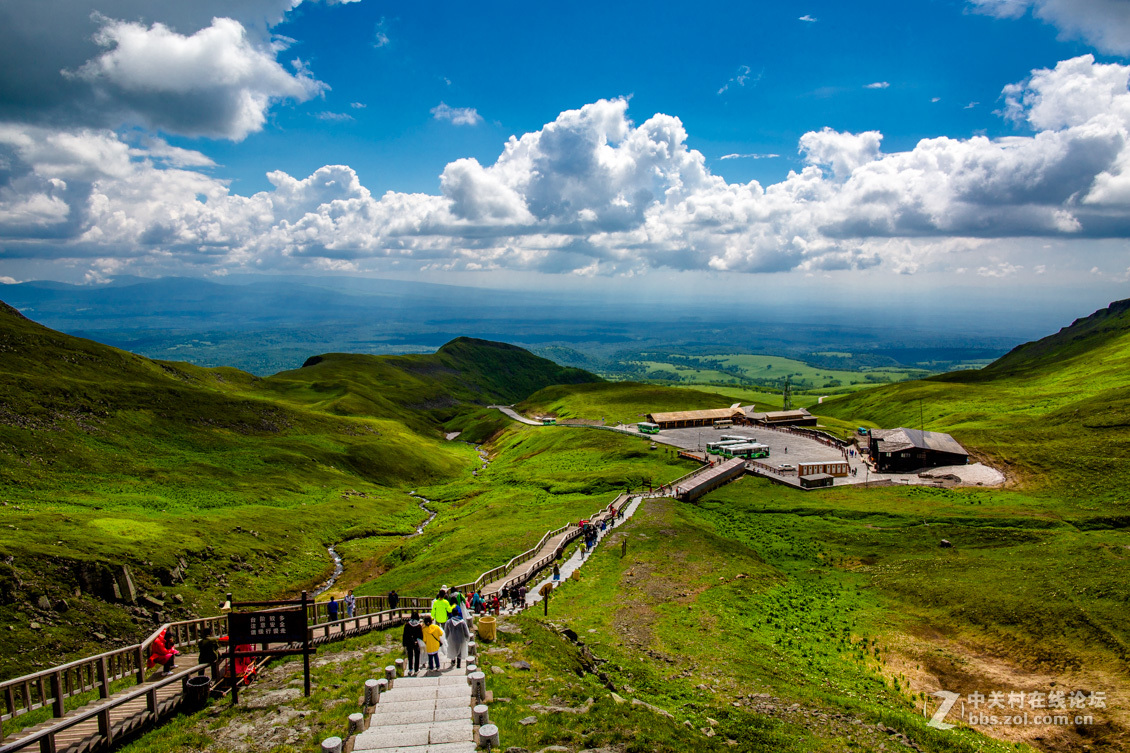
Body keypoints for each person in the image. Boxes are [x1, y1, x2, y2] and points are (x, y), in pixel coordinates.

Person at [402, 611, 424, 675]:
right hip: (416, 642)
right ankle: (416, 669)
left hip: (409, 642)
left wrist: (404, 643)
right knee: (417, 656)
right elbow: (421, 636)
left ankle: (410, 669)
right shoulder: (418, 625)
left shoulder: (407, 625)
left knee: (410, 655)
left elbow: (405, 635)